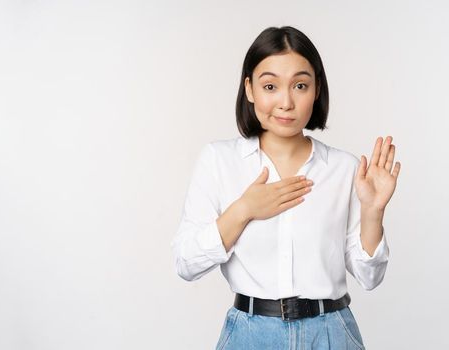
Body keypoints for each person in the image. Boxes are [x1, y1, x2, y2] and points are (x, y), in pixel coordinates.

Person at [171, 25, 402, 349]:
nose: (286, 102)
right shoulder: (219, 160)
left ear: (316, 89)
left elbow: (370, 278)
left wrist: (373, 212)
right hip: (250, 335)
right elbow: (186, 262)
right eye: (270, 86)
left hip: (330, 333)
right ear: (249, 89)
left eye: (300, 85)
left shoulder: (345, 169)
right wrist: (244, 210)